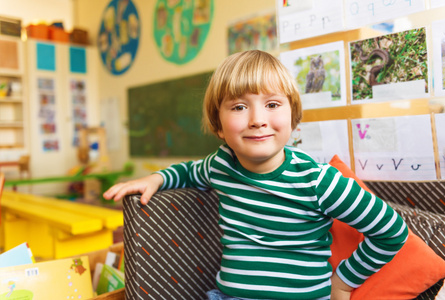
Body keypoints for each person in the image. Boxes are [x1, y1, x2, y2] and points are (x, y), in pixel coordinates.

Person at [104, 50, 408, 300]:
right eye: (238, 106)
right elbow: (189, 171)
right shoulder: (221, 164)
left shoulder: (319, 181)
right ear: (219, 126)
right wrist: (157, 178)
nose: (258, 120)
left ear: (292, 117)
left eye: (272, 104)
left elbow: (392, 231)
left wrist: (343, 281)